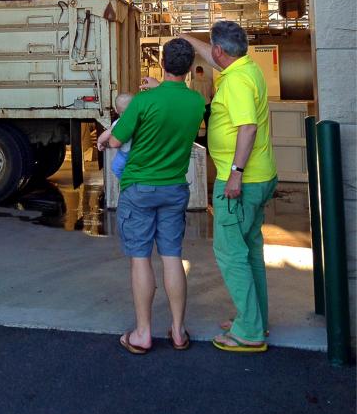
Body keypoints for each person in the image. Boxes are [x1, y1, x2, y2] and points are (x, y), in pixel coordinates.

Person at [98, 39, 204, 354]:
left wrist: (107, 135)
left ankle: (143, 333)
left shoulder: (143, 102)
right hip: (174, 188)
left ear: (161, 61)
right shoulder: (196, 102)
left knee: (141, 259)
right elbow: (173, 103)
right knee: (173, 257)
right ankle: (178, 330)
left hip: (140, 190)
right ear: (188, 67)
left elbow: (116, 140)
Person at [181, 22, 277, 353]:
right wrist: (188, 39)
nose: (211, 53)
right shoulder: (246, 67)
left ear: (221, 51)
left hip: (242, 181)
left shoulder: (235, 81)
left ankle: (249, 331)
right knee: (249, 251)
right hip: (260, 176)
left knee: (230, 253)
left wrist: (235, 174)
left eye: (213, 49)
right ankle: (255, 317)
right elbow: (214, 55)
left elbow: (247, 128)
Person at [97, 93, 134, 179]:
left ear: (117, 111)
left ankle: (126, 182)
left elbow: (108, 133)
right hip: (138, 152)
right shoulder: (140, 119)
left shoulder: (119, 122)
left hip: (125, 154)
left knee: (116, 168)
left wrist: (99, 141)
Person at [190, 65, 214, 134]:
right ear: (203, 71)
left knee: (196, 125)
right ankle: (207, 141)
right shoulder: (209, 81)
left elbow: (191, 95)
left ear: (196, 71)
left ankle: (197, 140)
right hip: (207, 104)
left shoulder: (193, 81)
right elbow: (213, 94)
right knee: (208, 125)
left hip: (197, 105)